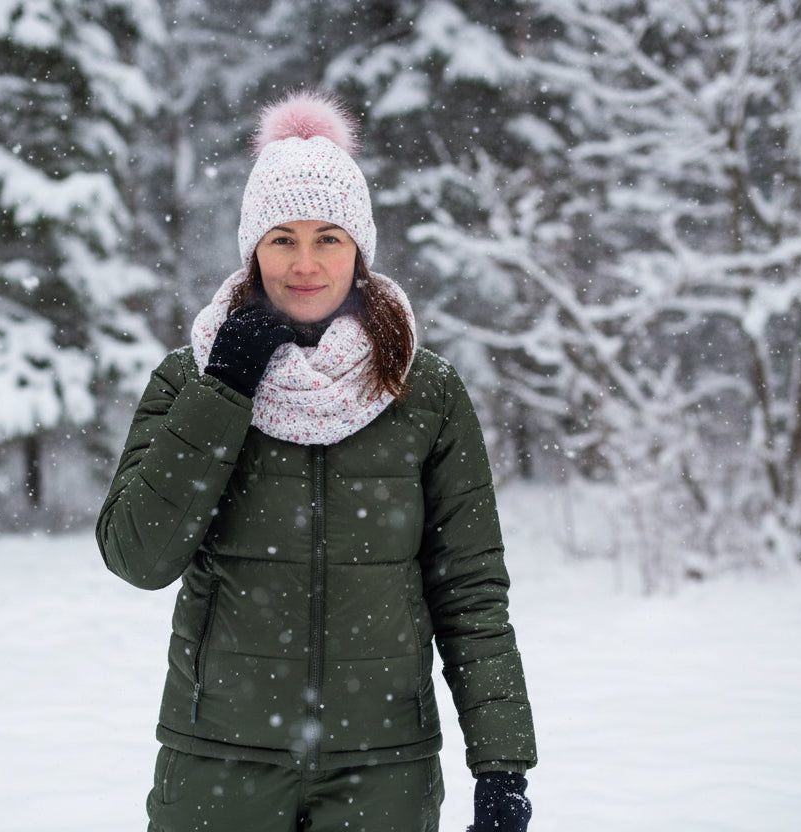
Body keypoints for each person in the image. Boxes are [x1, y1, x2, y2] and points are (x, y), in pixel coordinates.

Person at [96, 89, 536, 832]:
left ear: (359, 248)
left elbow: (470, 592)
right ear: (253, 249)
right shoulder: (191, 379)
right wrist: (225, 390)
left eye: (328, 237)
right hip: (219, 762)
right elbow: (136, 555)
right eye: (282, 239)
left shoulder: (424, 391)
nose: (305, 264)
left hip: (384, 767)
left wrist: (501, 767)